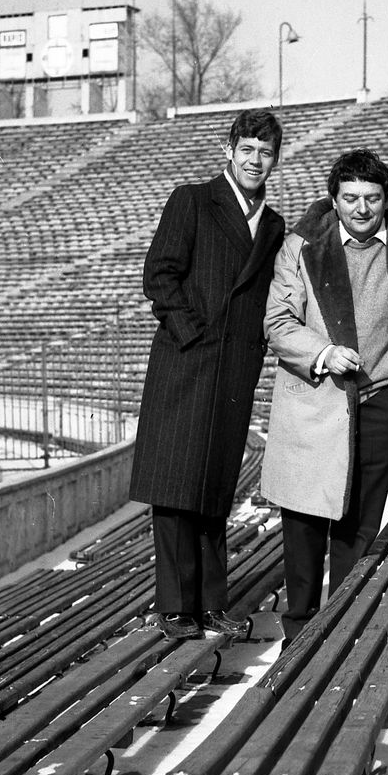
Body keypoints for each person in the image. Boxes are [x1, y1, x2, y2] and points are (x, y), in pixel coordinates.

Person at [261, 148, 388, 645]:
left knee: (358, 529)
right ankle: (298, 634)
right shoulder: (301, 246)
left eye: (371, 198)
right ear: (334, 200)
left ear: (386, 199)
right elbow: (278, 322)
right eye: (350, 198)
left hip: (381, 403)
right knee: (304, 522)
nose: (361, 208)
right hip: (315, 400)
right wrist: (323, 352)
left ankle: (340, 635)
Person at [129, 108, 287, 641]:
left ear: (275, 160)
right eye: (248, 150)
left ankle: (212, 603)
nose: (255, 161)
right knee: (177, 487)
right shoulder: (192, 200)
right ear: (229, 150)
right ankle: (176, 606)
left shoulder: (272, 224)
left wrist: (248, 352)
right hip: (186, 363)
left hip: (234, 372)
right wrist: (193, 335)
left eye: (266, 153)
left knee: (216, 490)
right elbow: (159, 275)